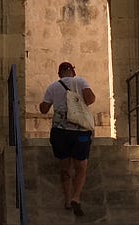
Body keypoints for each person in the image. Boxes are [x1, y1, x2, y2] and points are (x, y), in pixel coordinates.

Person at [39, 62, 97, 215]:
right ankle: (76, 197)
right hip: (80, 131)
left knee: (64, 167)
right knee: (81, 167)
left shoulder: (52, 87)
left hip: (60, 132)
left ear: (59, 74)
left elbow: (44, 109)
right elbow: (90, 99)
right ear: (73, 71)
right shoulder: (80, 81)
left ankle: (67, 199)